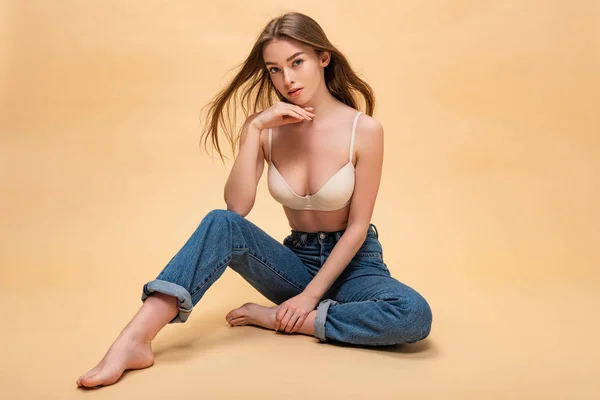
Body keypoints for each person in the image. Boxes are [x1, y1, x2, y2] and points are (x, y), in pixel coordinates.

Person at [76, 11, 432, 388]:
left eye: (297, 62)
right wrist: (255, 130)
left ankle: (283, 319)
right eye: (275, 69)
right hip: (295, 263)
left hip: (355, 267)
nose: (288, 79)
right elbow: (237, 210)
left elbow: (358, 227)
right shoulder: (265, 128)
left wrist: (308, 300)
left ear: (322, 58)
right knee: (219, 221)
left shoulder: (364, 130)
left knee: (413, 315)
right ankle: (133, 340)